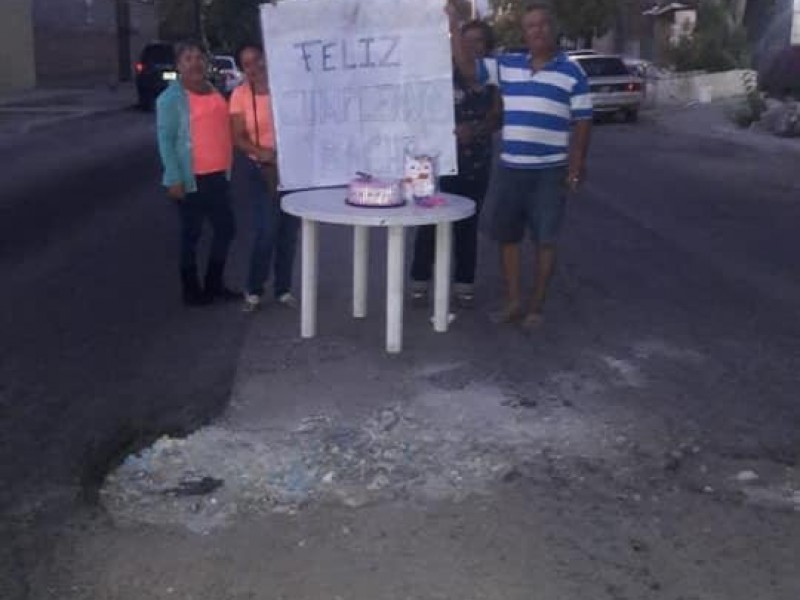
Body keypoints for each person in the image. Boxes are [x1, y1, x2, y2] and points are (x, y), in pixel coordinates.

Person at [448, 0, 593, 328]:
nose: (537, 30)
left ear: (552, 29)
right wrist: (454, 27)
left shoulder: (573, 72)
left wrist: (576, 165)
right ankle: (513, 302)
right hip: (511, 168)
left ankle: (536, 306)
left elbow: (583, 120)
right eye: (531, 26)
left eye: (543, 24)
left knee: (545, 239)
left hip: (550, 170)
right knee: (508, 237)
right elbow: (469, 69)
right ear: (524, 33)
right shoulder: (508, 65)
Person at [410, 19, 497, 309]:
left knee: (467, 223)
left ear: (487, 46)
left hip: (474, 163)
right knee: (427, 223)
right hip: (434, 165)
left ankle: (464, 284)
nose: (470, 46)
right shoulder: (437, 73)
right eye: (464, 39)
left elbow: (498, 117)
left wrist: (476, 131)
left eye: (478, 41)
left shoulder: (492, 77)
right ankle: (419, 282)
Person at [156, 40, 238, 306]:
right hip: (191, 179)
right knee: (191, 234)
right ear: (179, 66)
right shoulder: (170, 99)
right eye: (188, 58)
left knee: (225, 229)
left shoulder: (213, 91)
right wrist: (174, 177)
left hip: (217, 176)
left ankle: (215, 284)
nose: (195, 63)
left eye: (199, 57)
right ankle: (191, 290)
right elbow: (166, 140)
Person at [229, 42, 298, 313]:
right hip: (260, 170)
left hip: (291, 169)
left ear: (266, 58)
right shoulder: (239, 96)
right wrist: (260, 152)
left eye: (257, 59)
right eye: (247, 64)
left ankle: (283, 289)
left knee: (289, 232)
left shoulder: (285, 89)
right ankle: (254, 288)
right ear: (243, 69)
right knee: (266, 230)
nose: (254, 67)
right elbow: (237, 137)